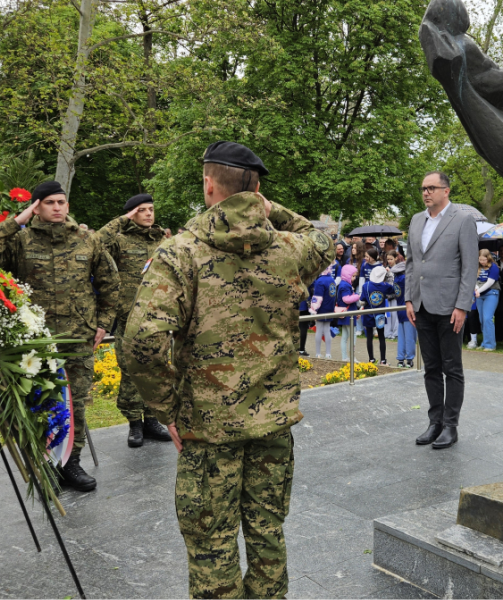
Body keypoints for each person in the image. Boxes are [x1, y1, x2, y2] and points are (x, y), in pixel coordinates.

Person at [123, 141, 334, 599]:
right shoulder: (289, 248)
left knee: (211, 544)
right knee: (267, 532)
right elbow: (323, 240)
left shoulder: (179, 253)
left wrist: (168, 409)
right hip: (272, 423)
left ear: (208, 184)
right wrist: (271, 209)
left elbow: (141, 344)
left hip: (208, 428)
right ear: (257, 190)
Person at [0, 180, 121, 492]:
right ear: (36, 207)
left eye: (61, 202)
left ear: (68, 205)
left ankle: (71, 463)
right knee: (39, 400)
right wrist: (17, 221)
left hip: (78, 336)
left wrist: (103, 323)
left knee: (76, 402)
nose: (57, 208)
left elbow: (110, 282)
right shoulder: (20, 240)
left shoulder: (88, 240)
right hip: (34, 340)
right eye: (49, 202)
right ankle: (45, 466)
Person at [405, 171, 478, 450]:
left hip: (449, 307)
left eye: (431, 188)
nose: (426, 192)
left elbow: (469, 267)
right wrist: (409, 299)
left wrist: (462, 305)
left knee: (452, 368)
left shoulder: (462, 220)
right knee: (431, 368)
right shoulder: (416, 220)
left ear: (446, 191)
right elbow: (411, 264)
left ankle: (450, 426)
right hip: (421, 305)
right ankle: (434, 422)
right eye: (423, 188)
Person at [96, 193, 172, 447]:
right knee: (129, 370)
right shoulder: (119, 240)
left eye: (151, 209)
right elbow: (95, 245)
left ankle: (151, 420)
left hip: (157, 317)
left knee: (155, 368)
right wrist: (122, 220)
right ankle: (134, 424)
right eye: (142, 210)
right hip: (128, 317)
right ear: (130, 214)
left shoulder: (162, 240)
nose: (149, 213)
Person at [360, 265, 392, 365]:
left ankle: (371, 359)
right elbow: (393, 288)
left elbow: (362, 301)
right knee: (381, 336)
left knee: (369, 337)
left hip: (368, 313)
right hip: (380, 314)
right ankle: (383, 360)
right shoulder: (385, 286)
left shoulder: (366, 285)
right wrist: (389, 274)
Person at [391, 254, 416, 368]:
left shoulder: (396, 279)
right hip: (408, 310)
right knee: (410, 336)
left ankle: (400, 359)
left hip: (399, 310)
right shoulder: (404, 279)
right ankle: (410, 359)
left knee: (401, 336)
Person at [474, 249, 500, 351]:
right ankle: (485, 342)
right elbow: (474, 279)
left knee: (487, 318)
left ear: (488, 258)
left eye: (484, 260)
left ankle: (490, 344)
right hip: (479, 294)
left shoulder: (494, 267)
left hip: (491, 293)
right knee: (481, 319)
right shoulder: (477, 266)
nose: (482, 262)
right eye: (480, 260)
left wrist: (478, 291)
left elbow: (490, 282)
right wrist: (476, 289)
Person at [310, 265, 337, 358]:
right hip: (330, 308)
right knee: (327, 330)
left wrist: (313, 310)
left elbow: (317, 298)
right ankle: (328, 353)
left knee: (319, 330)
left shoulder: (320, 281)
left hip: (321, 309)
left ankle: (318, 353)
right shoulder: (332, 280)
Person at [336, 264, 360, 360]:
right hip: (349, 314)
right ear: (347, 275)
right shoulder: (345, 285)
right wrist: (357, 296)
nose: (354, 278)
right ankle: (352, 358)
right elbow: (346, 299)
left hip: (345, 313)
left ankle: (344, 357)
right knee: (352, 336)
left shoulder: (343, 284)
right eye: (353, 276)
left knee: (345, 337)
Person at [384, 251, 401, 340]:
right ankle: (388, 333)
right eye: (388, 259)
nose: (389, 261)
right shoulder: (385, 269)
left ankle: (396, 333)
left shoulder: (399, 269)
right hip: (387, 294)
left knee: (395, 314)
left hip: (395, 294)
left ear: (396, 258)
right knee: (388, 315)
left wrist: (390, 272)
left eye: (391, 259)